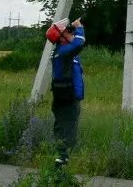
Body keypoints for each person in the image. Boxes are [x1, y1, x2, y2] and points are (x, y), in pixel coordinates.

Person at [46, 18, 85, 166]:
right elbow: (79, 43)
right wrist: (79, 27)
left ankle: (60, 156)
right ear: (62, 38)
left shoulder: (61, 52)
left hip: (63, 95)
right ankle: (62, 159)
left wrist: (73, 27)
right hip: (67, 96)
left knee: (62, 126)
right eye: (68, 31)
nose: (72, 33)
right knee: (68, 126)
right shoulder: (64, 51)